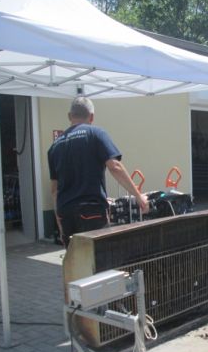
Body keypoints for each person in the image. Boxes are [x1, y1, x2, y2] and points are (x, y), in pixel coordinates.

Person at [48, 96, 148, 247]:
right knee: (98, 256)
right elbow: (115, 166)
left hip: (66, 213)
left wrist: (59, 221)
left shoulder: (54, 146)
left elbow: (54, 190)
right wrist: (139, 197)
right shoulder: (96, 134)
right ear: (92, 116)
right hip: (91, 210)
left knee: (76, 257)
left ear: (69, 116)